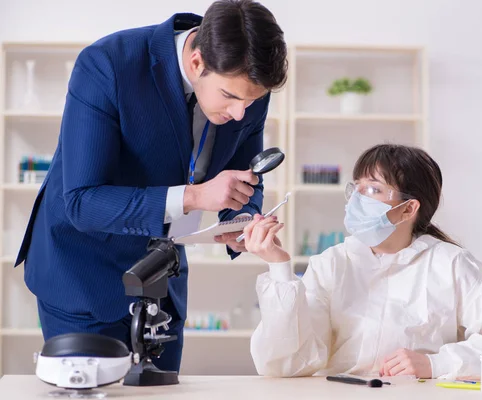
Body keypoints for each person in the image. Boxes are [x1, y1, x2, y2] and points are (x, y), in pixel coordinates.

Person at [14, 0, 287, 372]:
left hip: (163, 281)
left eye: (251, 100)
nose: (242, 113)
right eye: (231, 98)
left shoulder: (247, 86)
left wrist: (242, 220)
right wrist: (194, 196)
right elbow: (81, 201)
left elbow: (245, 176)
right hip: (82, 276)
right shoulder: (107, 64)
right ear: (196, 63)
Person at [243, 144, 482, 379]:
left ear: (407, 209)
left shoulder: (451, 263)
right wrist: (279, 268)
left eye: (373, 190)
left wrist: (434, 363)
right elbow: (285, 364)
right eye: (357, 188)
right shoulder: (332, 263)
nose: (357, 199)